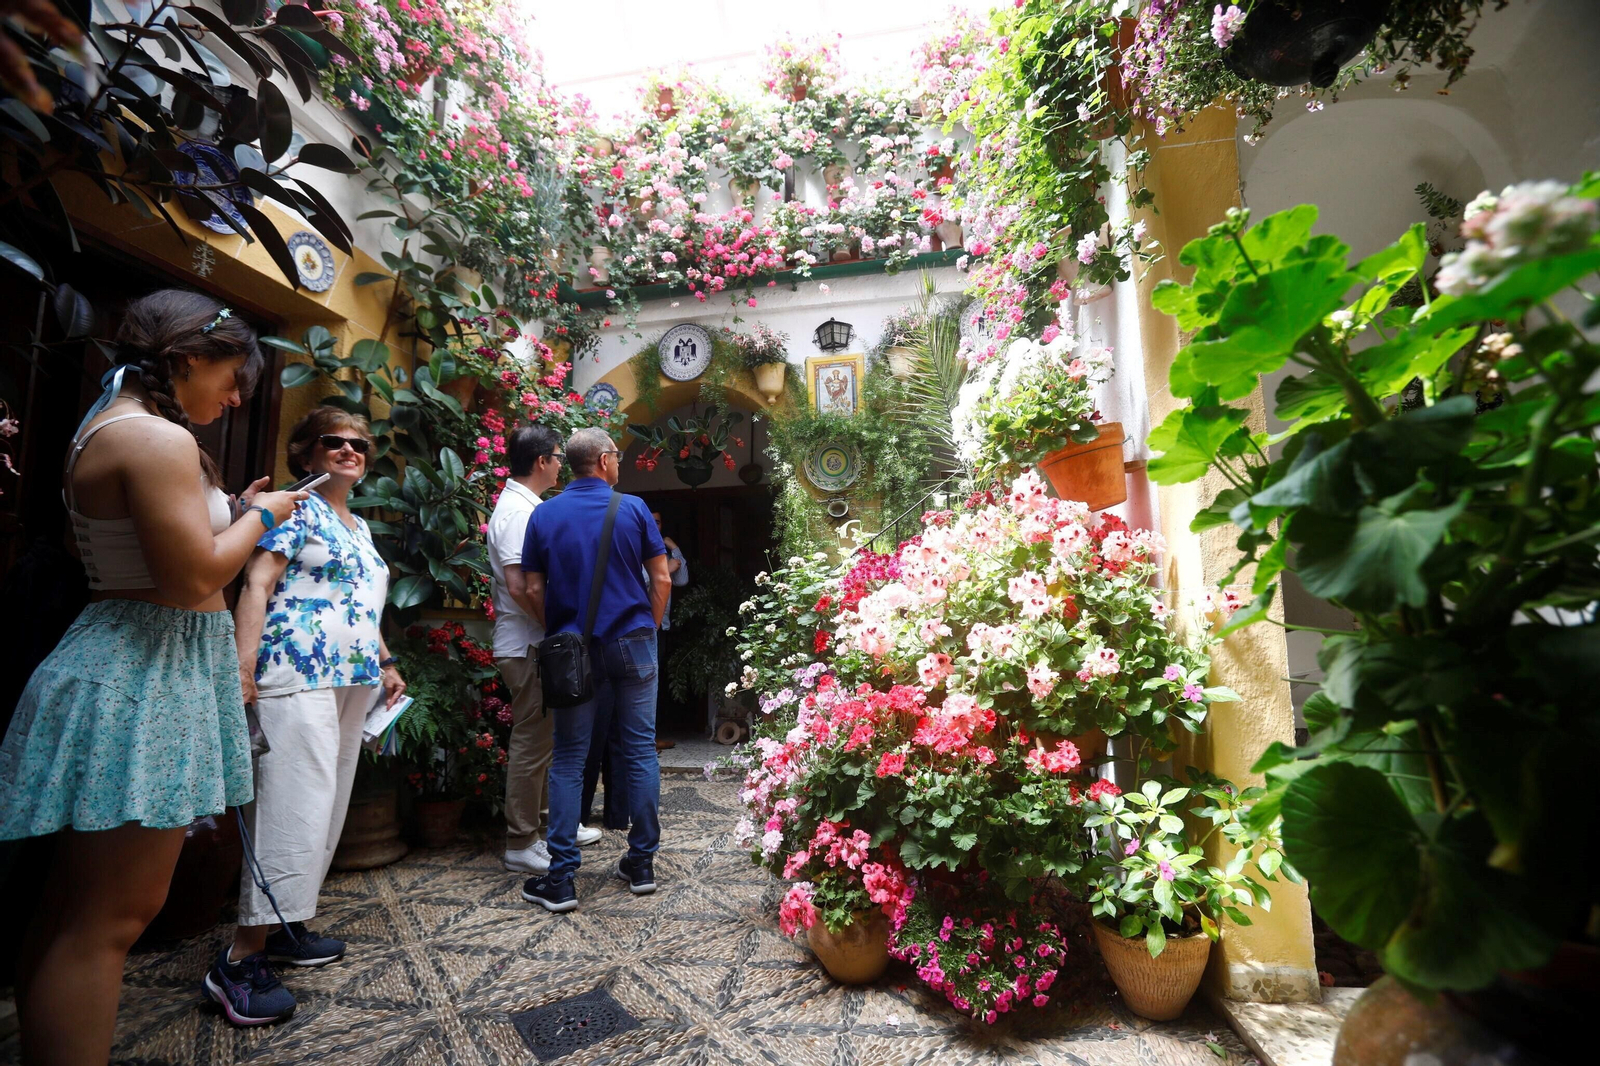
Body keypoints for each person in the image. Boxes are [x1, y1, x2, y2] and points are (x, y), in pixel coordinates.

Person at [0, 290, 306, 1065]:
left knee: (72, 908)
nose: (236, 395)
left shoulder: (105, 426)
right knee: (110, 921)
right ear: (187, 358)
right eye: (233, 375)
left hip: (126, 661)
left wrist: (228, 512)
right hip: (143, 675)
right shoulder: (156, 440)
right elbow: (187, 577)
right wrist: (262, 516)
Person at [205, 407, 406, 1026]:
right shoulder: (296, 507)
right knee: (294, 801)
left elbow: (359, 603)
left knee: (329, 800)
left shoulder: (361, 526)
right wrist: (243, 670)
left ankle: (286, 924)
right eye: (333, 442)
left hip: (352, 679)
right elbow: (256, 585)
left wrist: (388, 659)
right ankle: (240, 958)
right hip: (294, 672)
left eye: (359, 444)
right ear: (306, 452)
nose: (349, 450)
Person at [519, 428, 671, 912]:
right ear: (604, 461)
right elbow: (662, 577)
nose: (619, 465)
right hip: (634, 644)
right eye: (618, 458)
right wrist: (647, 627)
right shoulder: (633, 509)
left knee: (568, 757)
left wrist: (561, 631)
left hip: (575, 650)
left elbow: (533, 588)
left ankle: (561, 879)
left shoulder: (544, 515)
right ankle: (641, 863)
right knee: (640, 750)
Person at [489, 425, 601, 878]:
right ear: (542, 462)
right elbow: (519, 586)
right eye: (557, 457)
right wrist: (559, 630)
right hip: (529, 644)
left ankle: (549, 826)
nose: (561, 465)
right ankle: (521, 841)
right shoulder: (517, 512)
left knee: (547, 740)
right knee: (532, 743)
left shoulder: (526, 506)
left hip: (536, 641)